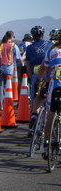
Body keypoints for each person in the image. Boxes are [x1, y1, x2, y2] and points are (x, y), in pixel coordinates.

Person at [26, 26, 53, 137]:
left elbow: (27, 65)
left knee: (35, 100)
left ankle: (33, 121)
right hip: (50, 74)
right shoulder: (50, 45)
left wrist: (31, 77)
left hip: (36, 74)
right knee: (49, 101)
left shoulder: (30, 47)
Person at [41, 29, 61, 159]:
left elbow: (47, 72)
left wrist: (45, 85)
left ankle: (46, 146)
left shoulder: (51, 50)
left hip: (55, 86)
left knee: (50, 116)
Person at [0, 31, 21, 110]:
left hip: (0, 67)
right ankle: (6, 104)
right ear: (11, 37)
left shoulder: (1, 45)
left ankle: (0, 105)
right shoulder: (14, 46)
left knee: (0, 87)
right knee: (8, 87)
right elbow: (18, 58)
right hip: (8, 68)